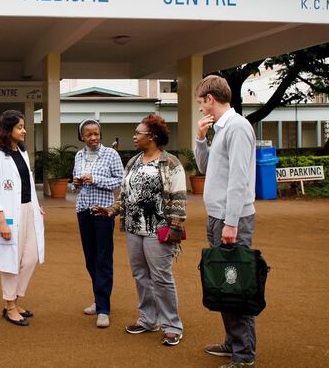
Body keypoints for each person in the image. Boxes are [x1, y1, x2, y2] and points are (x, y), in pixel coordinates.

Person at [93, 114, 186, 346]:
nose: (134, 137)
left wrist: (175, 228)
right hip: (134, 228)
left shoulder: (171, 163)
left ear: (152, 137)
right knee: (140, 275)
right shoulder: (133, 161)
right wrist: (111, 210)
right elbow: (125, 195)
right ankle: (148, 319)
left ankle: (172, 325)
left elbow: (179, 199)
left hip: (159, 229)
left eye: (138, 133)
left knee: (161, 277)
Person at [194, 75, 257, 368]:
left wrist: (231, 223)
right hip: (218, 217)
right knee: (224, 280)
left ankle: (244, 355)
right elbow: (206, 167)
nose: (200, 109)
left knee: (235, 284)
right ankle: (233, 342)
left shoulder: (238, 127)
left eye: (200, 103)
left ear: (210, 99)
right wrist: (200, 140)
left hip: (231, 219)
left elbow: (239, 180)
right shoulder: (221, 129)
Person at [0, 110, 45, 326]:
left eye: (23, 126)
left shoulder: (21, 152)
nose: (24, 130)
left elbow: (26, 183)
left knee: (29, 258)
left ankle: (15, 300)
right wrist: (1, 221)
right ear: (8, 130)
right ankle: (10, 306)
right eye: (19, 127)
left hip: (28, 210)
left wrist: (36, 207)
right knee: (11, 261)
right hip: (8, 214)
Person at [71, 119, 123, 328]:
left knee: (103, 257)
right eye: (88, 135)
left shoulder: (111, 154)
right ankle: (98, 298)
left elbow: (120, 180)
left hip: (103, 212)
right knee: (90, 258)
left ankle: (103, 308)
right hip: (83, 210)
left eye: (96, 134)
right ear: (81, 137)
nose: (93, 138)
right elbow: (76, 185)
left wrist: (95, 179)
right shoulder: (79, 155)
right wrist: (75, 183)